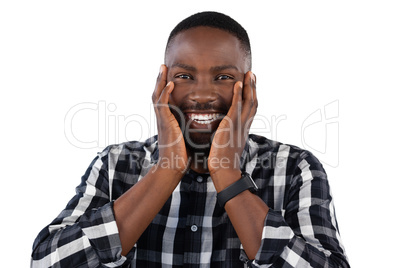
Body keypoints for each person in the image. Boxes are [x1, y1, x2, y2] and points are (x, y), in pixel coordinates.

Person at [31, 11, 349, 267]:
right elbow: (46, 261)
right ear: (163, 84)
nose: (201, 95)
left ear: (249, 87)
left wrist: (227, 173)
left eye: (223, 77)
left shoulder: (295, 169)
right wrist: (168, 168)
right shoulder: (115, 164)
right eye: (184, 77)